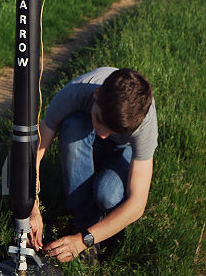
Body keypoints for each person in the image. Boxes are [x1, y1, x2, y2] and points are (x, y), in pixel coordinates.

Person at [29, 66, 158, 263]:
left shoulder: (143, 121)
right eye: (100, 120)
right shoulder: (75, 93)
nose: (103, 134)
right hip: (81, 137)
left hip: (121, 152)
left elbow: (137, 204)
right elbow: (34, 156)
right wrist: (32, 206)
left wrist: (82, 241)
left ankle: (91, 236)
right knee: (72, 126)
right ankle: (83, 221)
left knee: (107, 195)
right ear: (96, 95)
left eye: (112, 130)